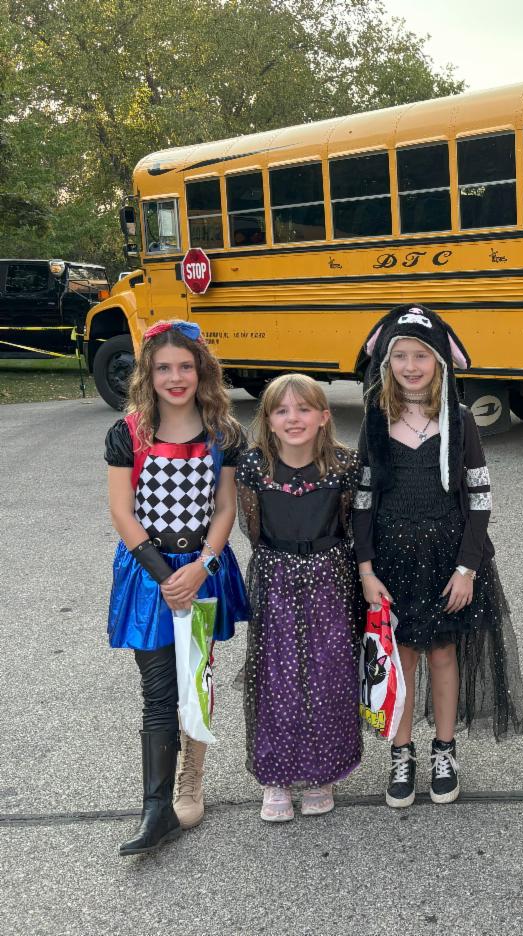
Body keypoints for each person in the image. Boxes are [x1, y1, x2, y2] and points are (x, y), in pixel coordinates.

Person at [354, 305, 523, 809]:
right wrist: (365, 569)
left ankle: (444, 751)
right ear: (386, 362)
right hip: (391, 561)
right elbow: (361, 500)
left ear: (441, 362)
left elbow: (480, 497)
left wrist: (467, 568)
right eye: (400, 356)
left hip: (448, 560)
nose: (411, 366)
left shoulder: (461, 420)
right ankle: (401, 753)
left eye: (421, 356)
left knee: (445, 653)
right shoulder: (376, 420)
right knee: (402, 657)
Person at [104, 320, 247, 855]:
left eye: (185, 366)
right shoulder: (129, 433)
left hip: (201, 569)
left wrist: (202, 567)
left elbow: (225, 507)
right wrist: (167, 577)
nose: (175, 377)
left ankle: (192, 782)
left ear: (201, 370)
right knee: (160, 688)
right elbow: (121, 510)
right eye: (163, 368)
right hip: (150, 576)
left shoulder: (222, 432)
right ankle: (156, 807)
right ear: (148, 373)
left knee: (197, 678)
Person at [236, 374, 363, 822]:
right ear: (268, 420)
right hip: (276, 576)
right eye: (282, 410)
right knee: (276, 676)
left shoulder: (345, 464)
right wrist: (283, 563)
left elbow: (352, 523)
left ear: (324, 416)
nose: (294, 418)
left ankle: (321, 773)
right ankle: (276, 776)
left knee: (329, 673)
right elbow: (252, 527)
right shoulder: (254, 466)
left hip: (331, 576)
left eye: (304, 409)